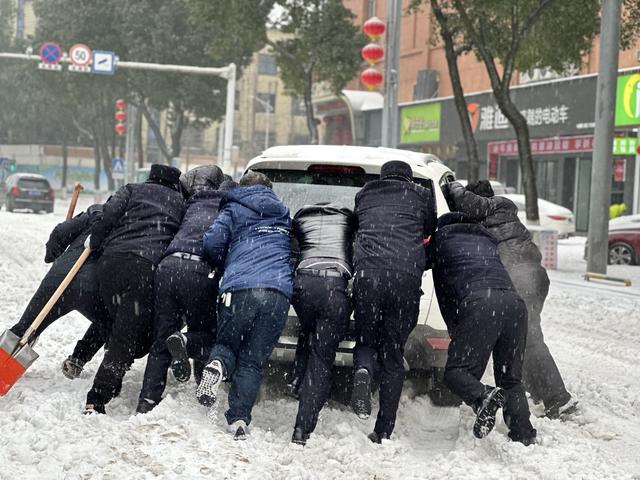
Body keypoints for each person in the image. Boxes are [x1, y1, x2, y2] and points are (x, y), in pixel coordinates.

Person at [445, 180, 577, 419]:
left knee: (530, 339)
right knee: (520, 338)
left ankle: (558, 399)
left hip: (521, 278)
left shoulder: (497, 206)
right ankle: (539, 394)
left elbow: (468, 202)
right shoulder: (495, 214)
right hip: (531, 276)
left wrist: (453, 187)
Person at [197, 171, 292, 441]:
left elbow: (212, 242)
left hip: (240, 288)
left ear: (242, 187)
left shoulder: (234, 207)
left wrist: (226, 261)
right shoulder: (283, 213)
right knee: (252, 362)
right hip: (277, 293)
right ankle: (238, 420)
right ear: (269, 189)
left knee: (227, 345)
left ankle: (216, 366)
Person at [84, 164, 185, 414]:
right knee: (124, 336)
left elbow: (108, 216)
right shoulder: (181, 203)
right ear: (175, 183)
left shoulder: (132, 189)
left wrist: (95, 242)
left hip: (111, 263)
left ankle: (110, 379)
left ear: (151, 177)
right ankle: (97, 397)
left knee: (115, 323)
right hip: (145, 269)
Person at [430, 211, 537, 445]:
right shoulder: (486, 237)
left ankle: (483, 396)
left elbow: (444, 294)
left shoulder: (441, 240)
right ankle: (523, 435)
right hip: (515, 305)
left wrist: (455, 328)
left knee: (456, 373)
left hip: (481, 304)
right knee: (510, 379)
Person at [350, 160, 437, 443]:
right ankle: (383, 429)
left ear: (383, 176)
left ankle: (363, 369)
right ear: (408, 178)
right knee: (393, 352)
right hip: (405, 279)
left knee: (366, 340)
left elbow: (356, 225)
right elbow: (429, 230)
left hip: (368, 276)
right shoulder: (421, 195)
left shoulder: (365, 194)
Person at [137, 166, 230, 414]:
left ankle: (147, 401)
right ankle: (200, 384)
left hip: (168, 267)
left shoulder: (192, 203)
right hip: (199, 272)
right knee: (206, 334)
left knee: (162, 338)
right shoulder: (228, 209)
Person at [9, 204, 111, 378]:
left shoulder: (96, 211)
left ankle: (5, 362)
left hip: (57, 280)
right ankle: (78, 359)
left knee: (26, 326)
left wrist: (52, 254)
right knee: (108, 322)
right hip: (91, 289)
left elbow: (59, 233)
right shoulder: (127, 222)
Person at [288, 202, 355, 446]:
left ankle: (296, 377)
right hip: (334, 287)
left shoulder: (300, 218)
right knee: (322, 356)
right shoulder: (349, 220)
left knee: (307, 330)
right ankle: (302, 428)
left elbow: (291, 249)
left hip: (303, 283)